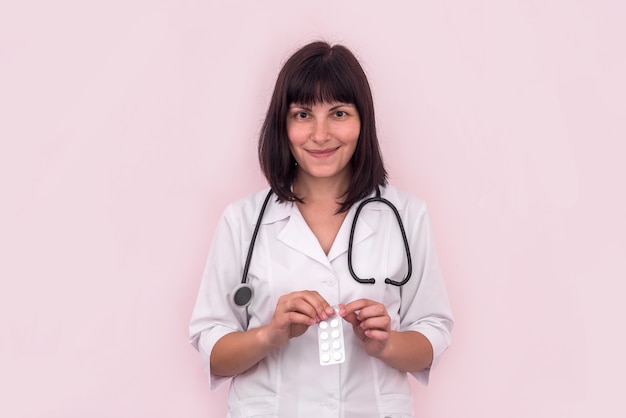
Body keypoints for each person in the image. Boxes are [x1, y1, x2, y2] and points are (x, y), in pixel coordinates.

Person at [189, 41, 453, 417]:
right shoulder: (242, 221)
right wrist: (270, 334)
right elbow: (213, 352)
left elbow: (433, 330)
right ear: (283, 124)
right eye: (302, 115)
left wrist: (386, 344)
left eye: (339, 113)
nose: (321, 134)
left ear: (363, 122)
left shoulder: (406, 215)